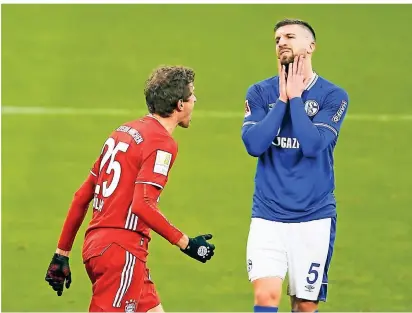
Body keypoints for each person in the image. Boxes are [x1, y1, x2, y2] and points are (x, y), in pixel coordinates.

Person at [45, 65, 216, 312]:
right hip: (121, 251)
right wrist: (186, 243)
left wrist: (62, 252)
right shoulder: (162, 143)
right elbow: (143, 204)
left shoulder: (121, 133)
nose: (195, 100)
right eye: (192, 95)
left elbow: (83, 195)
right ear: (179, 104)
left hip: (100, 247)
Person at [241, 19, 349, 312]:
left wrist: (297, 98)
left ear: (310, 47)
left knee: (304, 306)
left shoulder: (332, 95)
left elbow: (313, 145)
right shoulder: (260, 93)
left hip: (313, 217)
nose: (281, 43)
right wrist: (282, 100)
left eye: (289, 36)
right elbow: (254, 144)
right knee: (266, 297)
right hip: (268, 215)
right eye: (277, 39)